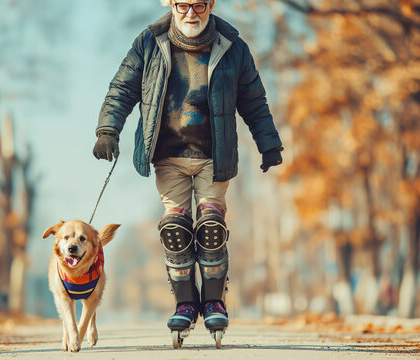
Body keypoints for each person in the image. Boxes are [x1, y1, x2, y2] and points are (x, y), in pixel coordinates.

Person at [92, 0, 283, 345]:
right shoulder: (149, 42)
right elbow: (121, 89)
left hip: (214, 154)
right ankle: (184, 303)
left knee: (211, 225)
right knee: (175, 228)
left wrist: (268, 144)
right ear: (169, 3)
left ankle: (213, 301)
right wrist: (108, 130)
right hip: (168, 155)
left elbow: (254, 100)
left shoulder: (232, 46)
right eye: (182, 4)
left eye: (199, 4)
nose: (191, 13)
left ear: (211, 4)